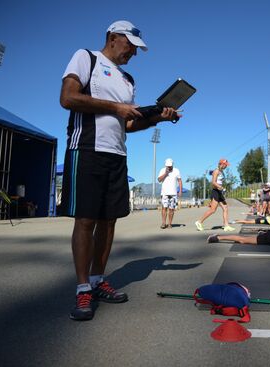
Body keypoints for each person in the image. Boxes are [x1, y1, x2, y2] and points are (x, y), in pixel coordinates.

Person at [60, 20, 180, 321]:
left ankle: (99, 280)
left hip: (117, 154)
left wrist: (158, 118)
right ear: (113, 37)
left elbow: (128, 124)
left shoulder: (127, 79)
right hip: (86, 149)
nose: (134, 54)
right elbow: (68, 98)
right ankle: (82, 288)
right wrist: (115, 108)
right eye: (131, 46)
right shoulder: (85, 57)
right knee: (86, 220)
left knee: (109, 221)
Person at [195, 159, 235, 232]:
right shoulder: (216, 171)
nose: (226, 166)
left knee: (225, 207)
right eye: (225, 165)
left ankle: (226, 226)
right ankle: (199, 222)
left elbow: (219, 182)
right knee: (213, 210)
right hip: (216, 191)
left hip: (219, 192)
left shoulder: (221, 172)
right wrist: (221, 187)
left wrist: (222, 188)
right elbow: (213, 182)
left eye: (227, 165)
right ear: (221, 164)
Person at [158, 158, 182, 229]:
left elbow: (180, 181)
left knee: (171, 209)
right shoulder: (162, 170)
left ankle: (170, 224)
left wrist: (180, 191)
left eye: (170, 166)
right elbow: (159, 180)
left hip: (173, 193)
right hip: (164, 193)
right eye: (167, 166)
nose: (169, 167)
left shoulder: (176, 170)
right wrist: (166, 173)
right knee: (164, 208)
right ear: (165, 165)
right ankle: (163, 223)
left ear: (172, 165)